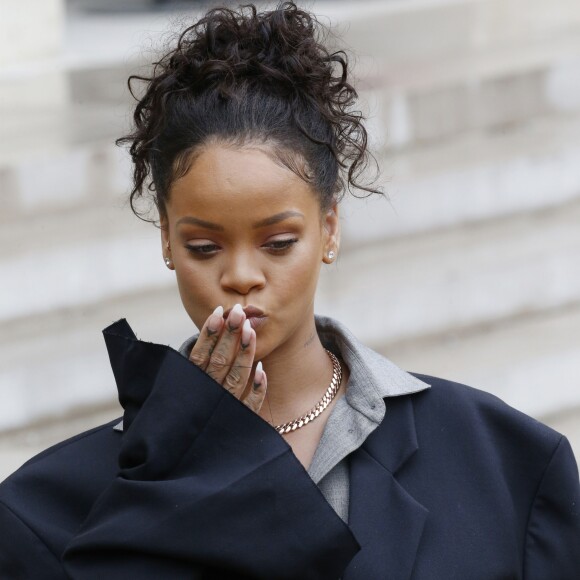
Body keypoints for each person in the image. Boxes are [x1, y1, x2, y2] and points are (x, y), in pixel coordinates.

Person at [1, 2, 579, 578]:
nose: (241, 275)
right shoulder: (42, 512)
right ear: (167, 241)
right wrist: (185, 479)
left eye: (278, 242)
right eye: (205, 247)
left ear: (329, 228)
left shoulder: (507, 464)